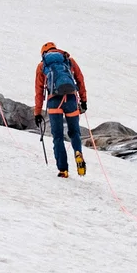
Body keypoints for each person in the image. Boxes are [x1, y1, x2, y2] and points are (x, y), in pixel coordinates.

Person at [33, 43, 89, 178]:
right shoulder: (68, 60)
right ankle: (78, 152)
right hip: (71, 98)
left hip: (54, 101)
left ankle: (63, 170)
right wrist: (84, 101)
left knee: (57, 137)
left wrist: (37, 112)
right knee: (74, 132)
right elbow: (80, 80)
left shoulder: (42, 66)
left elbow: (39, 91)